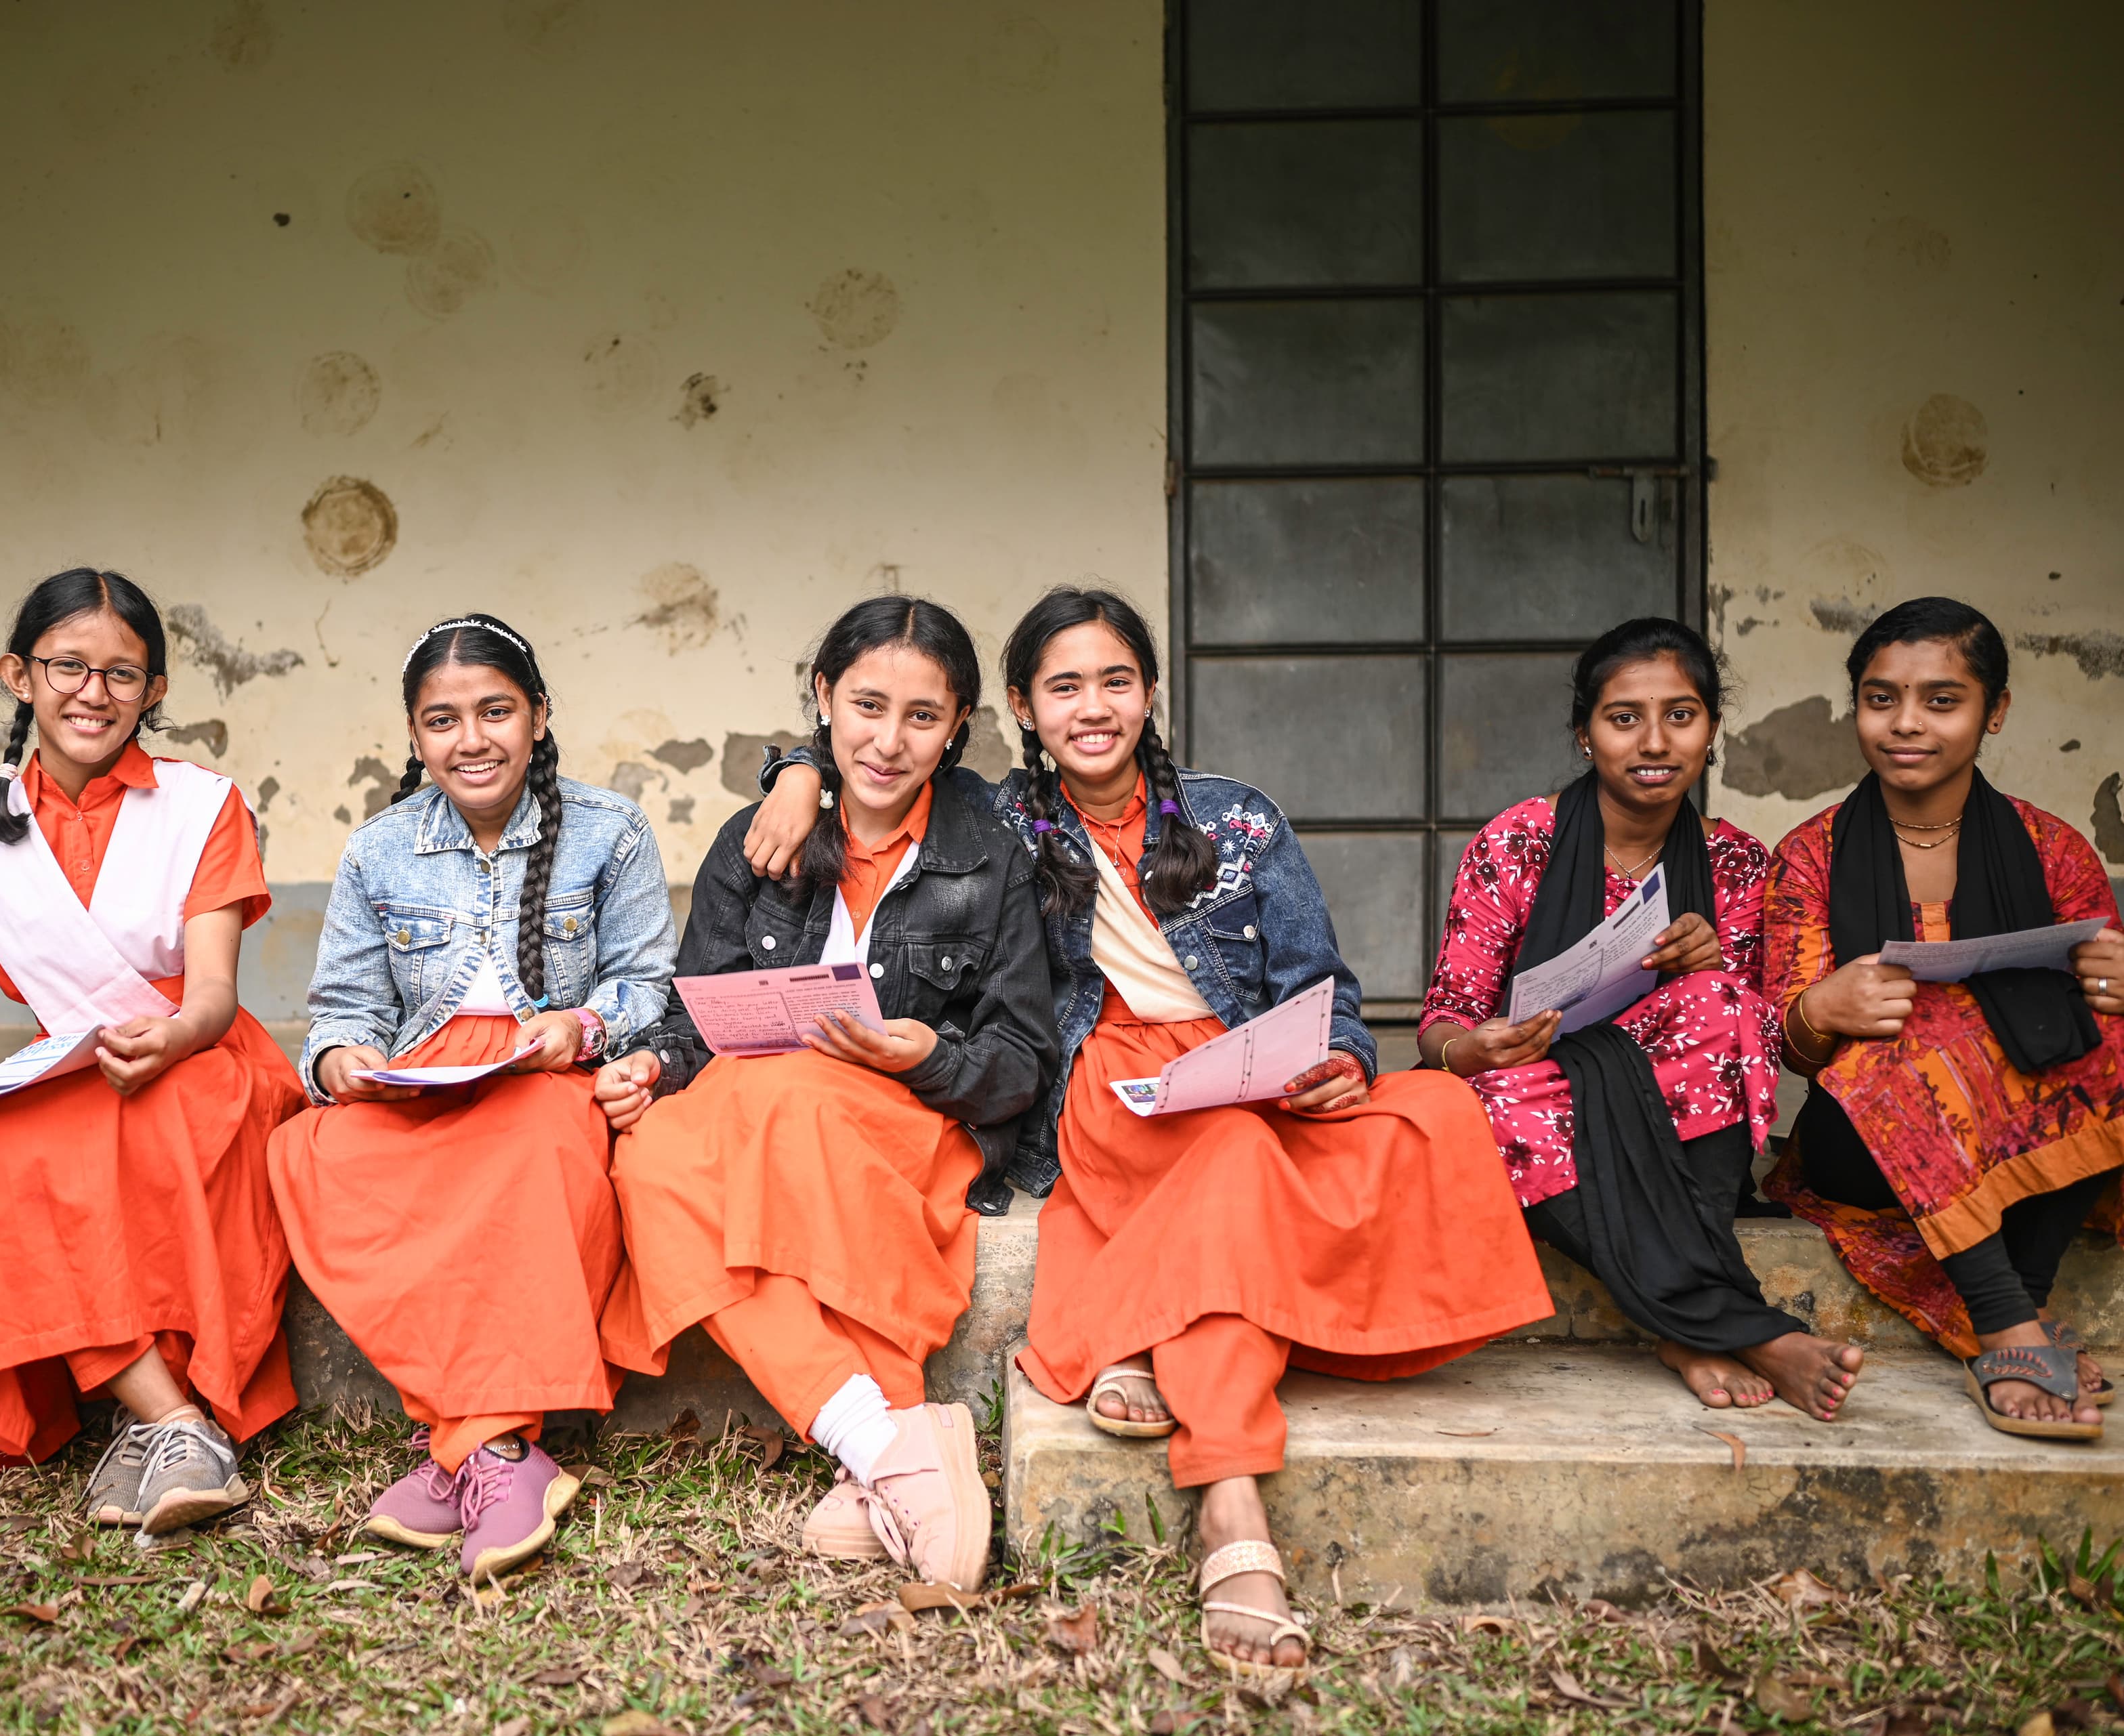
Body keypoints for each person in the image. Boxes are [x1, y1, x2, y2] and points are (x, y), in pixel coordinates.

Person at [756, 587, 1547, 1678]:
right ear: (1024, 709)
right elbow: (873, 758)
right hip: (1119, 1081)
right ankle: (1231, 1499)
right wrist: (794, 772)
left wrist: (1340, 1059)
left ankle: (1143, 1318)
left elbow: (1325, 985)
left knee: (1435, 1110)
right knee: (1229, 1156)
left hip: (1251, 1068)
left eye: (1115, 681)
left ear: (1152, 692)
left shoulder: (1238, 817)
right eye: (1064, 686)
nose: (1093, 707)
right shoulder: (998, 823)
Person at [594, 595, 1054, 1593]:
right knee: (651, 1152)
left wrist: (929, 1052)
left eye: (922, 716)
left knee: (787, 1101)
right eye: (866, 706)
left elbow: (1021, 1057)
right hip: (766, 1109)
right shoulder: (757, 838)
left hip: (911, 1117)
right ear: (823, 698)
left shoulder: (991, 853)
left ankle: (876, 1447)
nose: (889, 741)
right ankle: (887, 1444)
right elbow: (692, 1017)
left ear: (959, 724)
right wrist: (655, 1068)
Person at [267, 616, 676, 1581]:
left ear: (538, 715)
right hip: (426, 1081)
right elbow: (340, 1012)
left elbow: (649, 981)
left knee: (532, 1147)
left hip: (544, 1074)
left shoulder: (611, 831)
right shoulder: (379, 850)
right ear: (415, 736)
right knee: (308, 1153)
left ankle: (478, 1450)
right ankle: (491, 1448)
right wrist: (343, 1064)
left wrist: (581, 1028)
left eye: (496, 710)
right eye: (442, 719)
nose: (472, 738)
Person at [1419, 618, 1865, 1422]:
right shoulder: (1518, 842)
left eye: (1681, 715)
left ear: (1712, 730)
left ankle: (1686, 1323)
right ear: (1586, 734)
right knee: (1478, 1104)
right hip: (1539, 1085)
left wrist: (1707, 970)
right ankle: (1729, 1326)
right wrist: (1471, 1045)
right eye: (1624, 718)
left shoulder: (1735, 864)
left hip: (1667, 1099)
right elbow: (1444, 1019)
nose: (1653, 741)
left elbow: (1758, 1038)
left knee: (1724, 1004)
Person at [0, 568, 300, 1529]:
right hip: (66, 1065)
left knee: (163, 1115)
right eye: (67, 666)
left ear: (155, 691)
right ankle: (172, 1419)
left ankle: (160, 1425)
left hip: (196, 1056)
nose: (93, 693)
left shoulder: (202, 804)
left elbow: (215, 993)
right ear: (19, 675)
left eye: (122, 674)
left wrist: (173, 1034)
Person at [1764, 597, 2124, 1439]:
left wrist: (2112, 985)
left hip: (2021, 1127)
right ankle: (2002, 1319)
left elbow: (2093, 1023)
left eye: (1942, 699)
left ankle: (2017, 1302)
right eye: (1881, 698)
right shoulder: (1812, 855)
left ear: (1994, 711)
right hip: (1865, 1142)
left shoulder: (2054, 848)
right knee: (1911, 1028)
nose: (1906, 724)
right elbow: (1790, 1047)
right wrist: (1822, 1006)